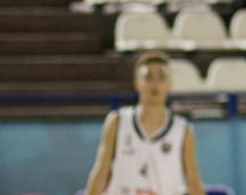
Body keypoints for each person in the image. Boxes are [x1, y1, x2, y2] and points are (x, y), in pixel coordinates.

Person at [84, 51, 205, 195]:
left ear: (170, 84)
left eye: (162, 77)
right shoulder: (117, 122)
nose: (155, 83)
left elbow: (193, 182)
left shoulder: (183, 130)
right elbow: (100, 173)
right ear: (137, 83)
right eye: (148, 77)